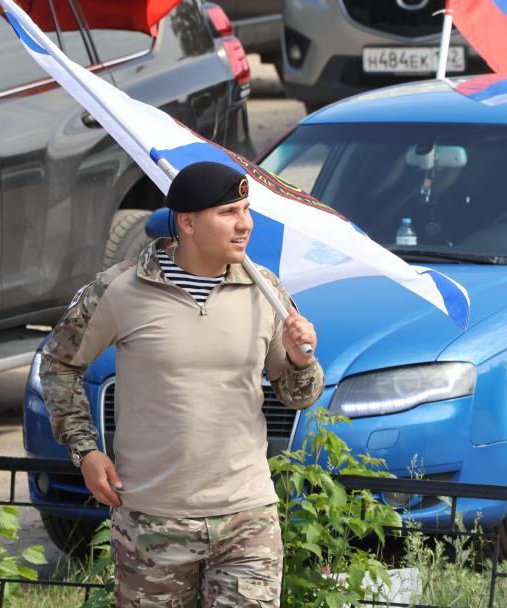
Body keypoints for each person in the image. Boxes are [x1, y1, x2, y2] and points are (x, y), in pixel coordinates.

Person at [40, 161, 324, 606]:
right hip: (152, 521)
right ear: (188, 222)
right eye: (229, 212)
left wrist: (298, 358)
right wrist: (86, 451)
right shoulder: (121, 289)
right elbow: (57, 365)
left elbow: (298, 395)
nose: (245, 224)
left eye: (246, 210)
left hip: (246, 517)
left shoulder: (264, 289)